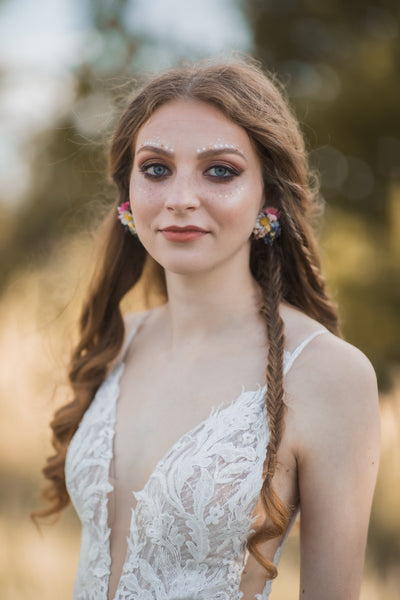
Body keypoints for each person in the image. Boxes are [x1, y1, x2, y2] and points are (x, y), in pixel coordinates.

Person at [34, 59, 380, 600]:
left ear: (268, 198)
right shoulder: (120, 341)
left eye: (220, 170)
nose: (180, 199)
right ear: (127, 194)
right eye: (156, 169)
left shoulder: (329, 374)